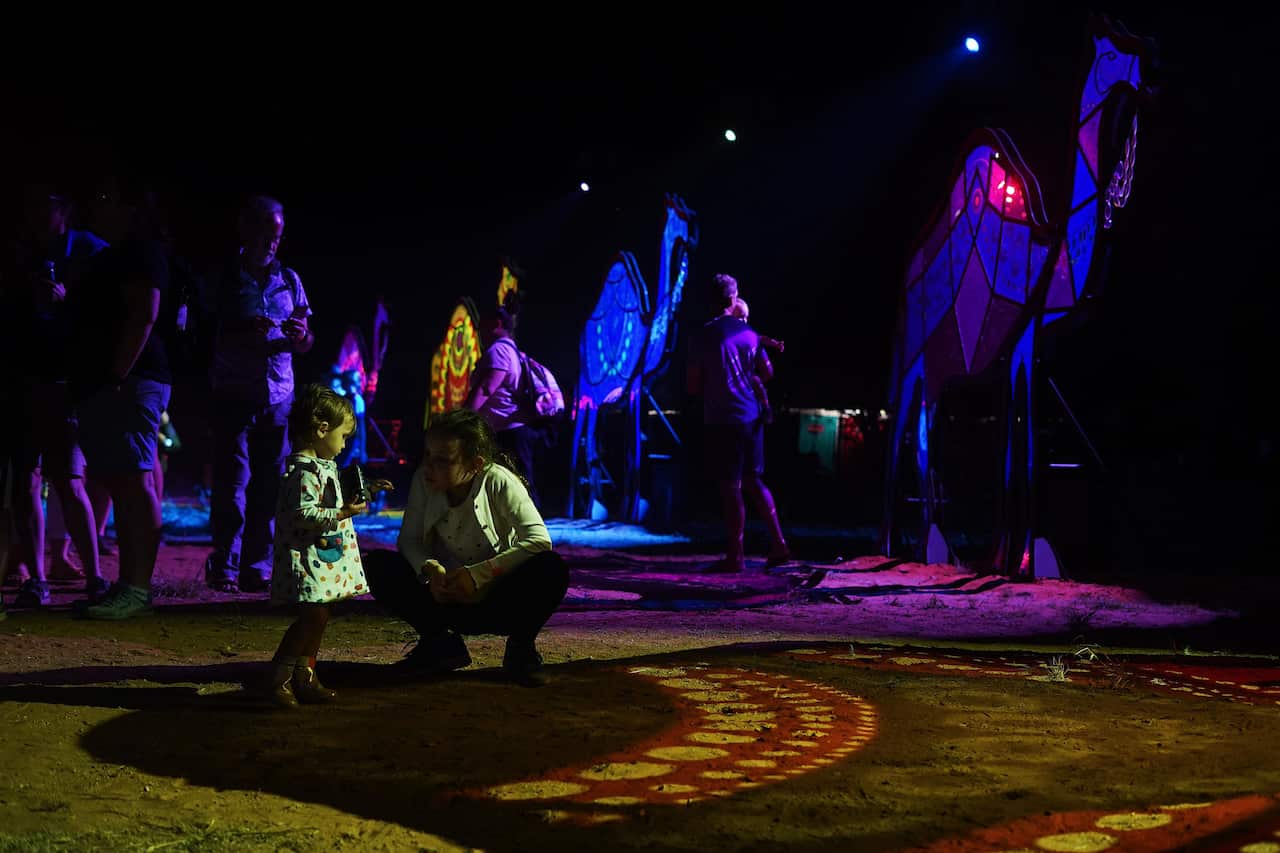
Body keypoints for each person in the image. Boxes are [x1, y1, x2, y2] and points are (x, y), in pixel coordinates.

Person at [363, 409, 568, 687]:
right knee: (376, 565)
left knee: (551, 568)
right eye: (427, 456)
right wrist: (429, 569)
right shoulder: (423, 481)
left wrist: (478, 576)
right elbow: (409, 540)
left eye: (442, 460)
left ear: (475, 465)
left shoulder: (498, 480)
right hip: (444, 598)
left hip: (497, 599)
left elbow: (539, 540)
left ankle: (521, 649)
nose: (429, 466)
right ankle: (440, 644)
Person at [71, 177, 175, 619]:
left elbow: (144, 313)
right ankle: (128, 585)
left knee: (135, 483)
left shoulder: (141, 250)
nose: (97, 205)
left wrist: (117, 373)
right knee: (124, 480)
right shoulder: (115, 253)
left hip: (129, 380)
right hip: (115, 381)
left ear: (131, 207)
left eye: (107, 196)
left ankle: (136, 588)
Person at [3, 188, 108, 606]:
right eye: (29, 206)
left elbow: (107, 312)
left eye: (44, 206)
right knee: (27, 480)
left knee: (69, 478)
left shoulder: (90, 251)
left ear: (63, 209)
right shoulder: (20, 253)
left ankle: (96, 578)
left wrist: (69, 302)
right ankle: (37, 580)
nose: (34, 214)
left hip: (66, 384)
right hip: (22, 382)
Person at [204, 195, 314, 594]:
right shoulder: (224, 278)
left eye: (277, 235)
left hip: (278, 394)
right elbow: (202, 329)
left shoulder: (290, 280)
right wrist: (242, 330)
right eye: (265, 233)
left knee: (269, 485)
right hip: (233, 390)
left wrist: (301, 337)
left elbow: (305, 336)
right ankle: (225, 564)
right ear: (246, 230)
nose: (271, 242)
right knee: (233, 482)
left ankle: (256, 564)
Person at [265, 384, 391, 707]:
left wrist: (365, 489)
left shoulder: (322, 466)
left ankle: (305, 675)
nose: (344, 443)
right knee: (312, 617)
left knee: (319, 616)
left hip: (323, 559)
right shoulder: (302, 472)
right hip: (307, 559)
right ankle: (278, 678)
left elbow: (333, 493)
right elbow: (302, 513)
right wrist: (343, 512)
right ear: (322, 429)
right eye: (343, 436)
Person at [687, 273, 792, 573]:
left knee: (730, 487)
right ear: (734, 299)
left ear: (710, 301)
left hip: (722, 419)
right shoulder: (750, 334)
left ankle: (736, 555)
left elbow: (693, 386)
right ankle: (779, 543)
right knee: (754, 480)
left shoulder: (703, 336)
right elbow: (767, 372)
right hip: (751, 417)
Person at [464, 297, 543, 508]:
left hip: (510, 430)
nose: (479, 327)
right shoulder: (511, 350)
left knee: (517, 484)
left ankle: (533, 532)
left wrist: (463, 417)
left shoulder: (499, 350)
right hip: (511, 429)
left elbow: (487, 387)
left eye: (484, 322)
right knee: (517, 483)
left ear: (497, 323)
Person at [729, 295, 784, 425]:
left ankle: (766, 407)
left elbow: (760, 338)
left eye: (746, 317)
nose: (744, 321)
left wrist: (775, 343)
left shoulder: (746, 334)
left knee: (756, 380)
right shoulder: (729, 335)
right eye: (740, 317)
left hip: (747, 375)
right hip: (735, 377)